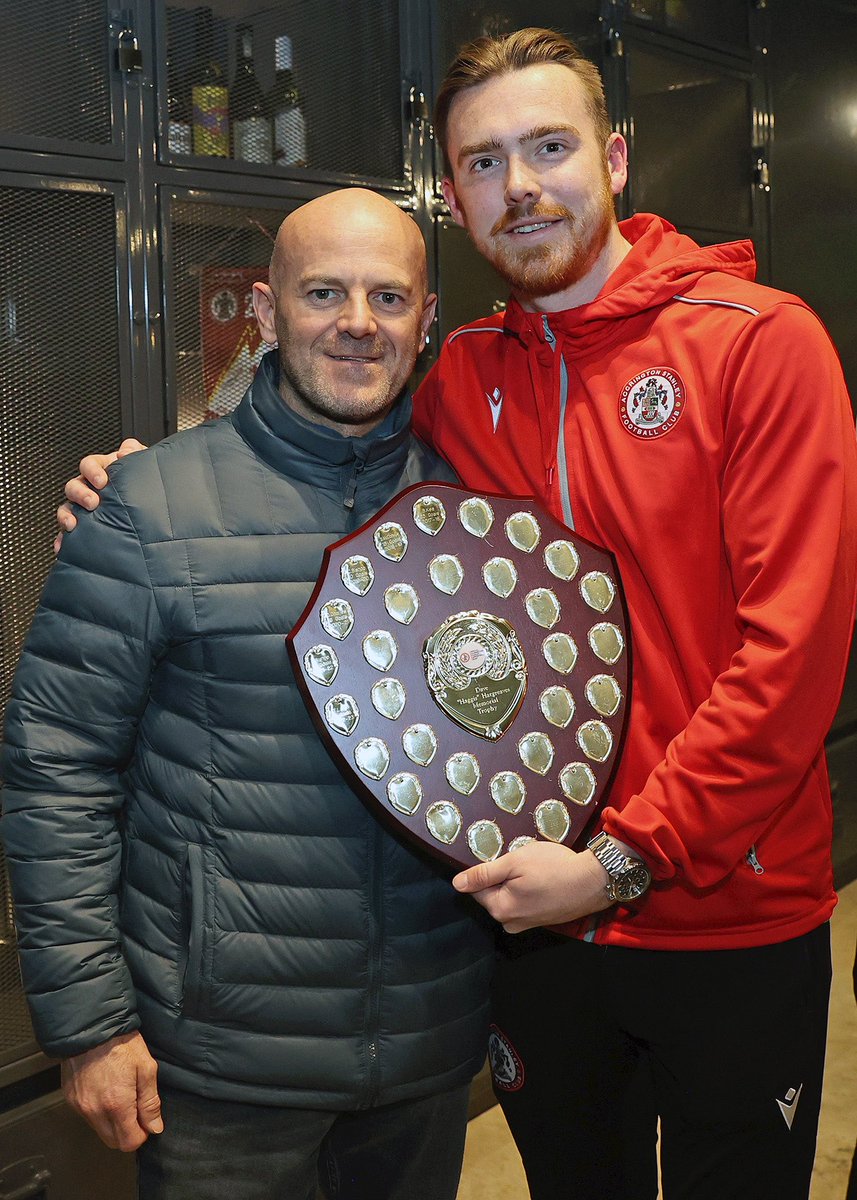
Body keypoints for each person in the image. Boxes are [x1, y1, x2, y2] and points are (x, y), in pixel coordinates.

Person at [52, 26, 857, 1200]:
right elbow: (316, 447)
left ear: (616, 159)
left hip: (720, 908)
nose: (518, 185)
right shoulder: (466, 378)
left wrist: (626, 858)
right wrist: (151, 486)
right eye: (483, 161)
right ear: (455, 192)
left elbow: (794, 660)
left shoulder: (757, 344)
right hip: (527, 922)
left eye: (548, 147)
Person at [1, 187, 495, 1200]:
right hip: (222, 1065)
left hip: (423, 1053)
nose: (357, 323)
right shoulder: (148, 507)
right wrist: (91, 1024)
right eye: (323, 293)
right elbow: (56, 769)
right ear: (266, 315)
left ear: (425, 323)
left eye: (386, 298)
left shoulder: (469, 524)